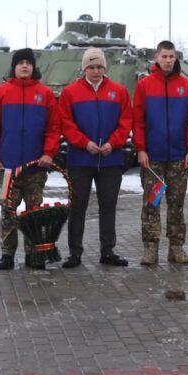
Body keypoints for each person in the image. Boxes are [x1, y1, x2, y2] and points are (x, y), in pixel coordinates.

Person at [0, 48, 60, 270]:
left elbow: (53, 128)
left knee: (33, 212)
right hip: (7, 168)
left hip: (36, 167)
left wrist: (48, 153)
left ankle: (32, 254)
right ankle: (7, 254)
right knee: (7, 211)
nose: (25, 66)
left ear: (34, 67)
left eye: (28, 62)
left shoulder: (45, 94)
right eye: (20, 63)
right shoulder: (0, 93)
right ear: (14, 67)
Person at [59, 47, 132, 268]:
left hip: (110, 160)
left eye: (100, 66)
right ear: (84, 68)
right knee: (77, 207)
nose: (96, 71)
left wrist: (113, 143)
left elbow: (126, 122)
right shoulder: (70, 92)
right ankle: (75, 253)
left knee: (108, 207)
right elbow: (66, 124)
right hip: (80, 160)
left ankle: (107, 251)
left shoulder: (119, 91)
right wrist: (85, 143)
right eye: (91, 67)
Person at [132, 41, 188, 266]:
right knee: (153, 202)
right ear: (156, 58)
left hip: (178, 157)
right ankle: (151, 248)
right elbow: (138, 120)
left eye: (171, 57)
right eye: (164, 56)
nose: (168, 60)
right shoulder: (145, 85)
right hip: (154, 158)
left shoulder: (186, 86)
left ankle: (176, 247)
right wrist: (141, 149)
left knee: (176, 203)